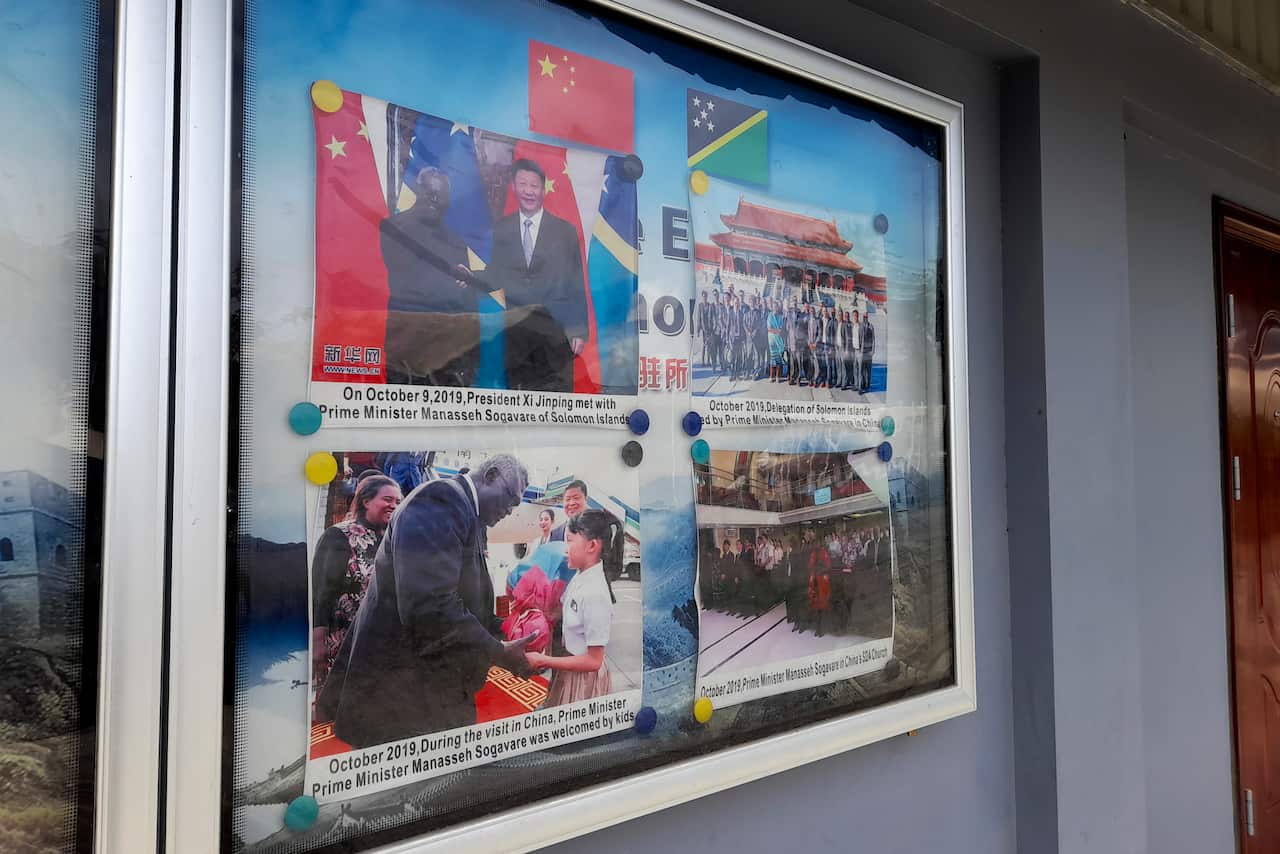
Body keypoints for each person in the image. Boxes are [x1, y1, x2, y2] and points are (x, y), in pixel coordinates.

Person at [317, 455, 538, 746]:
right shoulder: (440, 501)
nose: (510, 510)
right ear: (491, 475)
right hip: (402, 694)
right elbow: (429, 606)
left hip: (428, 688)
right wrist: (498, 651)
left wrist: (505, 627)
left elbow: (464, 596)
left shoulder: (468, 512)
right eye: (510, 498)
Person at [485, 158, 587, 392]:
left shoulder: (565, 231)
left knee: (557, 401)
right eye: (523, 184)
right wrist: (468, 277)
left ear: (543, 190)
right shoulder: (502, 229)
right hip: (517, 335)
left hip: (556, 334)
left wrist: (578, 330)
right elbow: (494, 275)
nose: (528, 191)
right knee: (518, 401)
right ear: (513, 187)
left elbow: (576, 283)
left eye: (534, 186)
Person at [379, 168, 480, 386]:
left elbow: (467, 303)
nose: (436, 201)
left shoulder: (455, 241)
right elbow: (401, 281)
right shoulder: (392, 229)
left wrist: (467, 281)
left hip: (445, 354)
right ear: (418, 190)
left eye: (442, 197)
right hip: (404, 345)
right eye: (431, 193)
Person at [311, 475, 402, 696]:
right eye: (387, 499)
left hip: (382, 646)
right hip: (343, 645)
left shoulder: (394, 540)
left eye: (398, 501)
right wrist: (318, 641)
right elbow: (321, 591)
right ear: (366, 501)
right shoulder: (339, 536)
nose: (394, 505)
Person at [527, 509, 622, 704]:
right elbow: (562, 610)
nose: (565, 549)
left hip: (583, 680)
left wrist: (543, 660)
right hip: (568, 666)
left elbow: (594, 661)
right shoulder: (579, 575)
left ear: (592, 545)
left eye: (569, 541)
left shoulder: (595, 594)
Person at [860, 308, 876, 392]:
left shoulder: (871, 326)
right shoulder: (860, 326)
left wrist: (873, 350)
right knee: (862, 369)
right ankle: (862, 384)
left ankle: (868, 385)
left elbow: (873, 339)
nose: (865, 318)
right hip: (862, 351)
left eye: (866, 317)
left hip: (869, 351)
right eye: (864, 317)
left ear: (868, 317)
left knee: (868, 370)